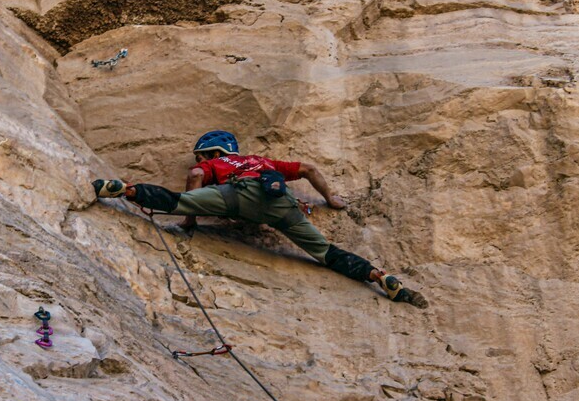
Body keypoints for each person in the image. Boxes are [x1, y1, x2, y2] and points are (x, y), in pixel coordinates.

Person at [93, 130, 427, 307]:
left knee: (175, 201)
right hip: (280, 201)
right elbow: (308, 168)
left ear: (213, 153)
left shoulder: (217, 165)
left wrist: (190, 220)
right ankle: (378, 276)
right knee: (325, 252)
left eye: (202, 154)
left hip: (239, 196)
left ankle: (127, 190)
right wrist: (331, 199)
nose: (199, 160)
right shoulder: (260, 160)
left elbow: (195, 174)